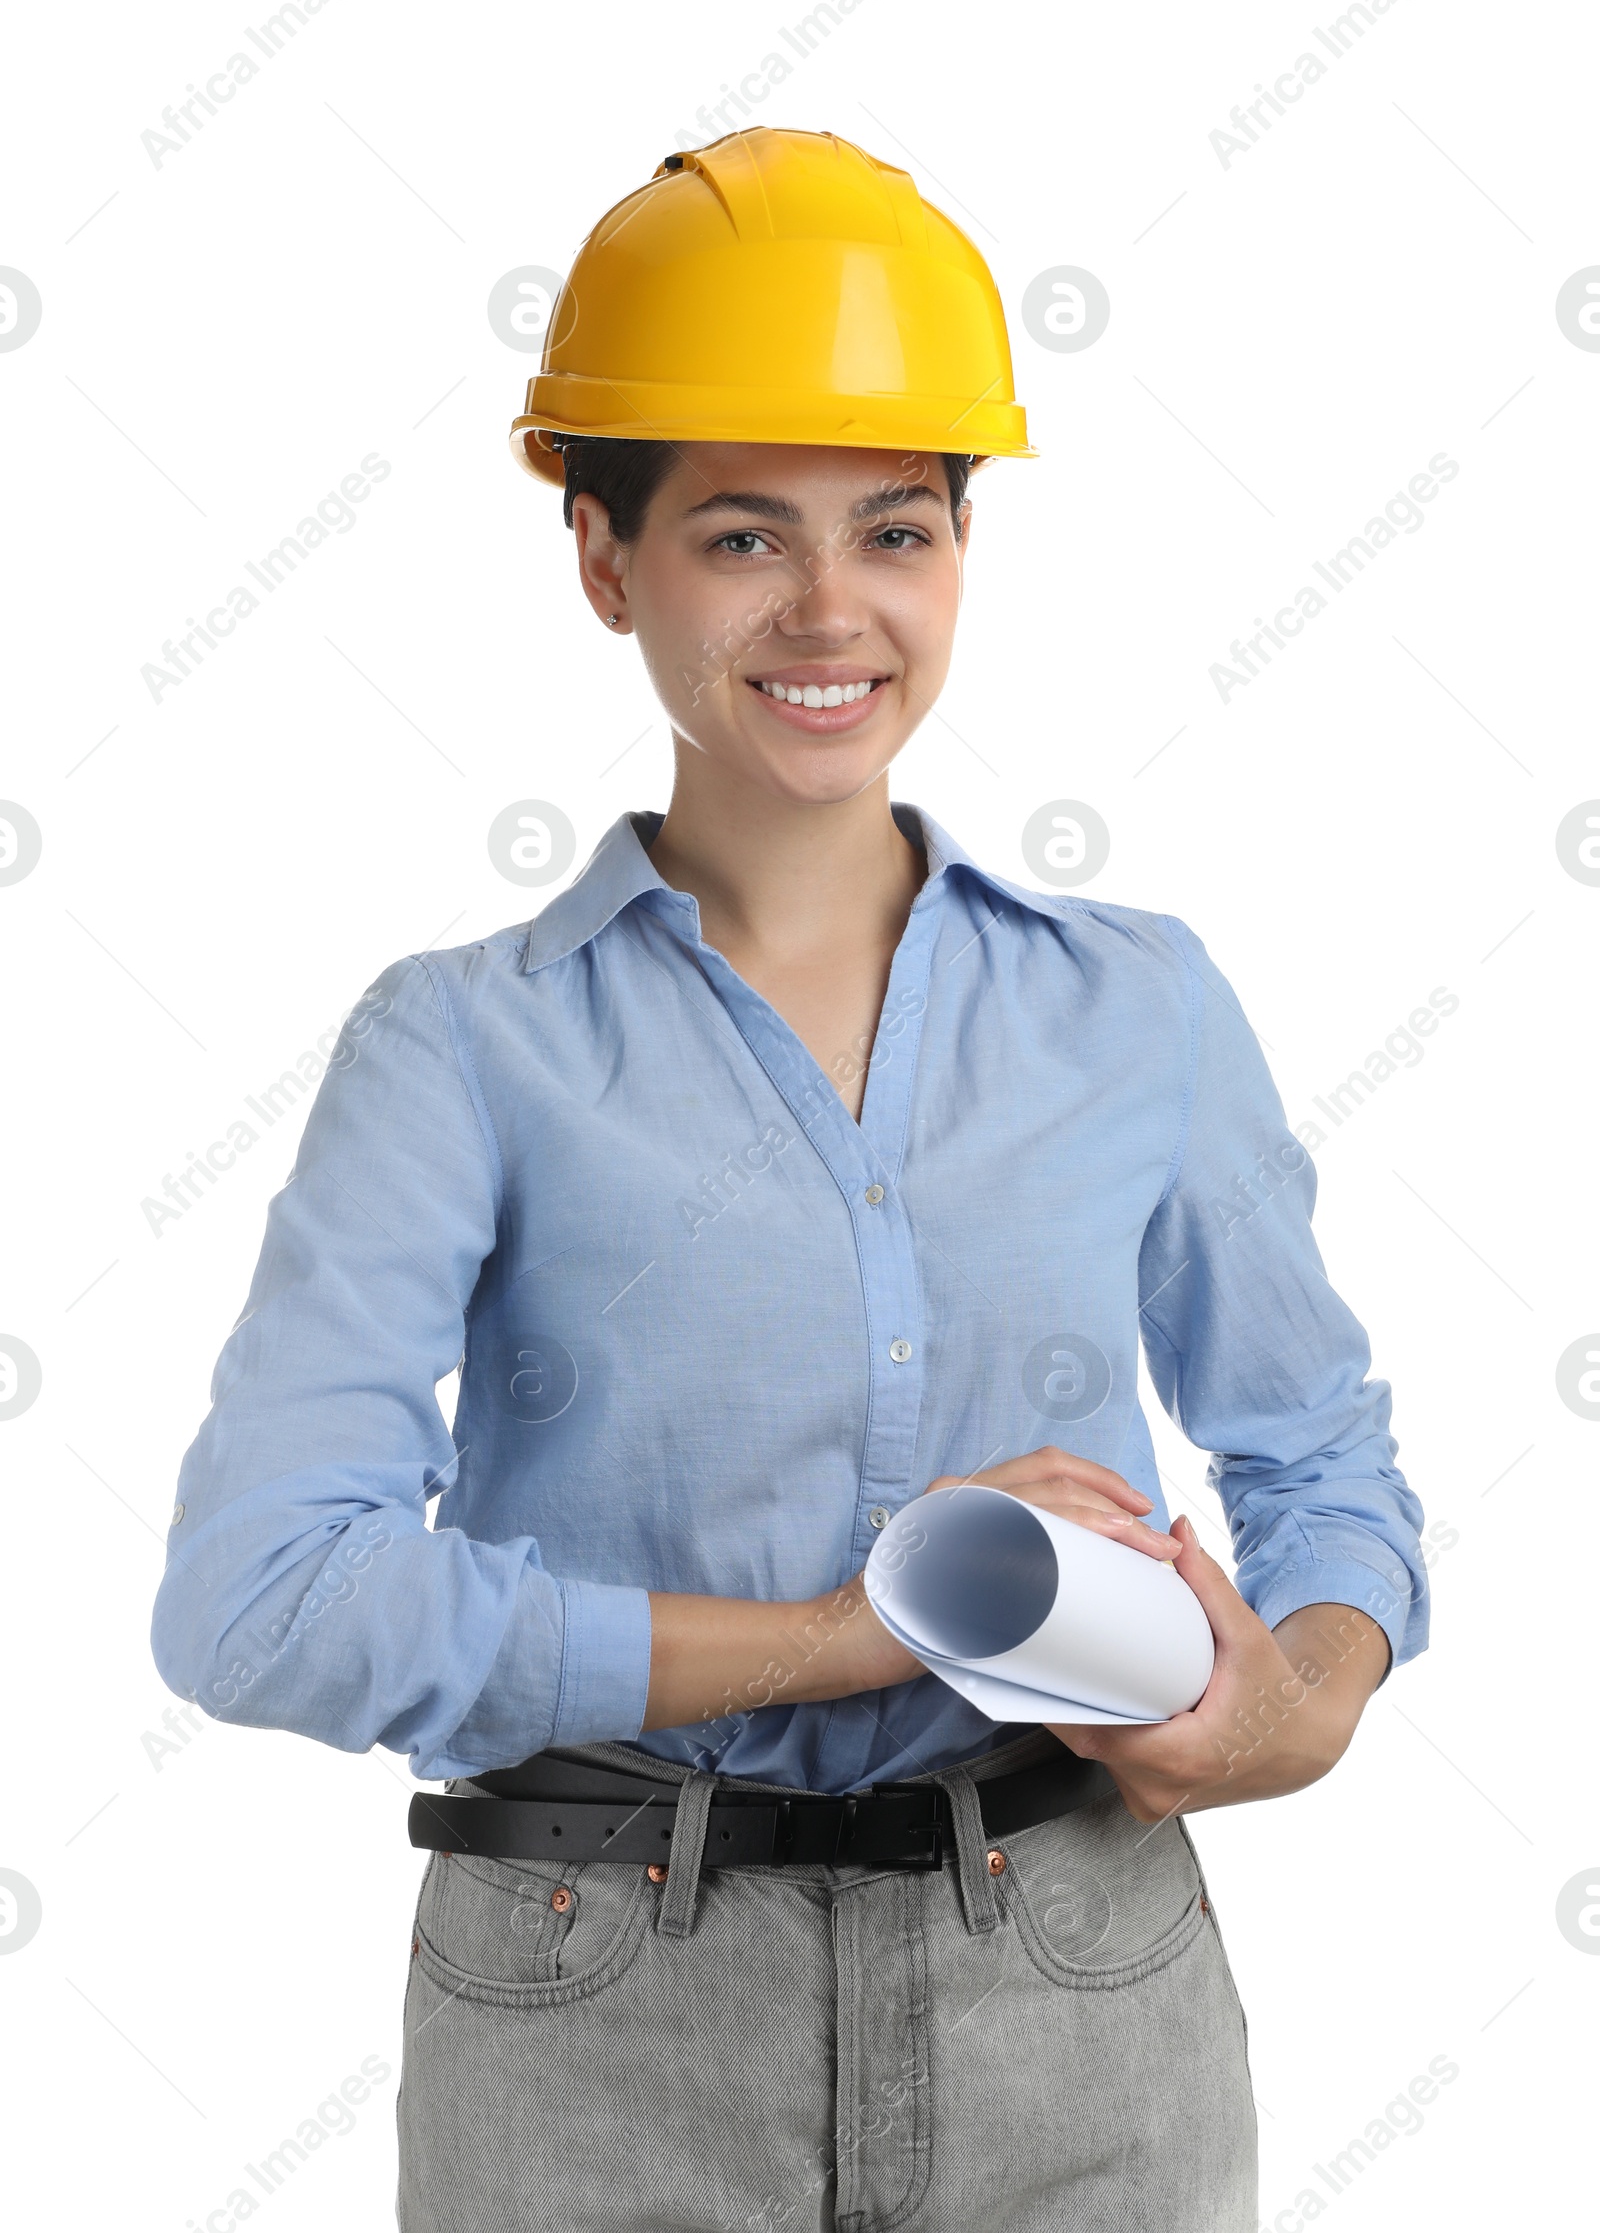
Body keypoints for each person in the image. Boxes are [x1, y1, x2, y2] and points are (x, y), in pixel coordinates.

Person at [151, 127, 1428, 2232]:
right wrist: (828, 1640)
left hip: (1078, 1977)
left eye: (897, 533)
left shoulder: (1139, 1010)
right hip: (597, 2015)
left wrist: (1297, 1701)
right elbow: (261, 1603)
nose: (832, 613)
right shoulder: (461, 1048)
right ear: (602, 559)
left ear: (956, 558)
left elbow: (1321, 1460)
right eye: (742, 537)